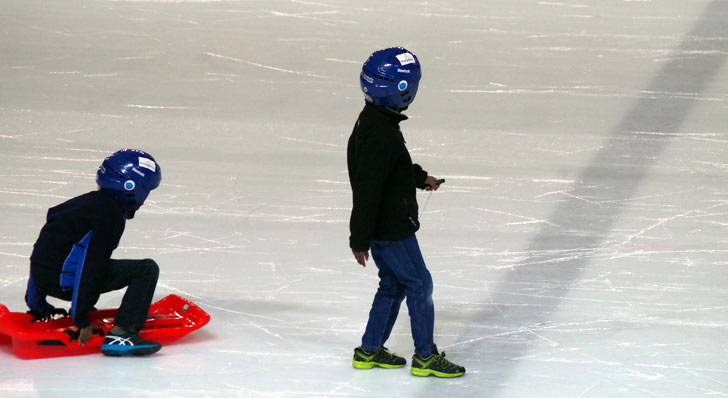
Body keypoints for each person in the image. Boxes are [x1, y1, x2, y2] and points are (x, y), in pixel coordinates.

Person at [347, 47, 465, 378]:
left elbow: (390, 170)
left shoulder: (374, 120)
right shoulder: (380, 133)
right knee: (420, 284)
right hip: (391, 229)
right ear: (402, 89)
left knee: (393, 285)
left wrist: (419, 178)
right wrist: (360, 238)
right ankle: (425, 356)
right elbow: (367, 190)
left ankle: (369, 350)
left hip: (384, 225)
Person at [25, 149, 163, 356]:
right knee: (146, 269)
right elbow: (90, 267)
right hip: (64, 285)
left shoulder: (79, 204)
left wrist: (37, 305)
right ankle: (122, 334)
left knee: (82, 259)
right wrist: (80, 319)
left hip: (46, 280)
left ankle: (79, 307)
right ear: (132, 188)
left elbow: (44, 251)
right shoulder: (110, 217)